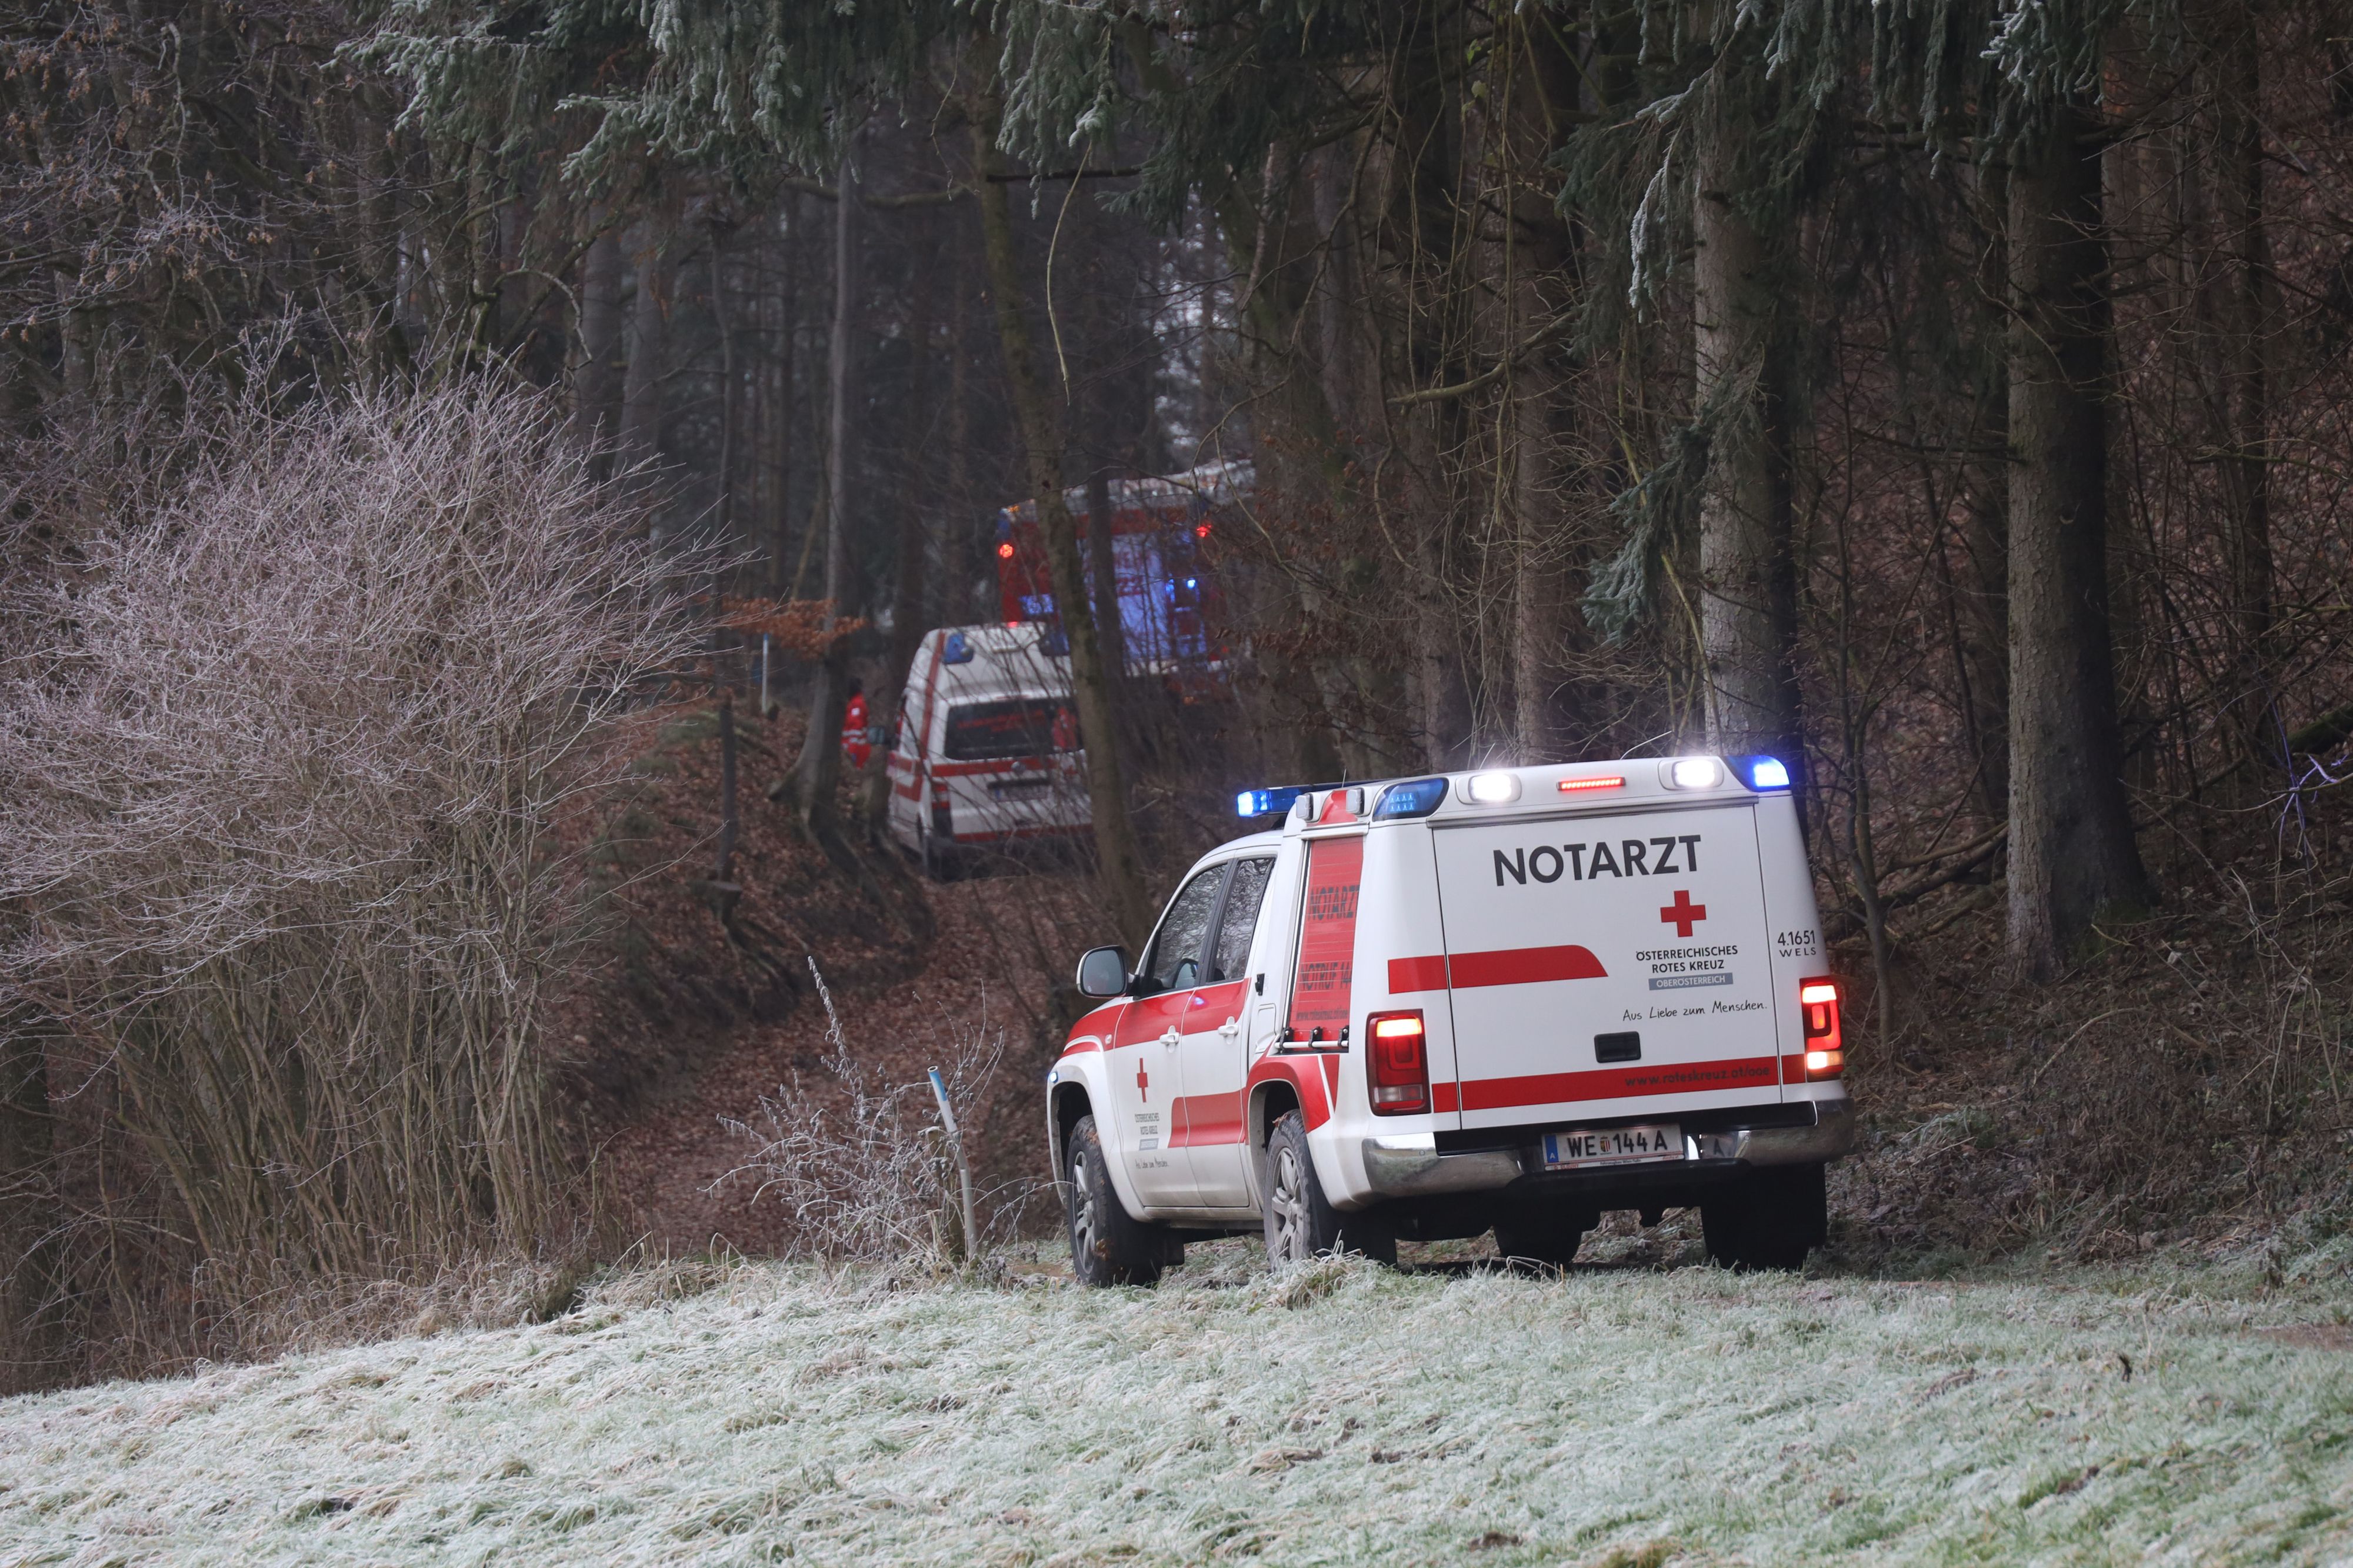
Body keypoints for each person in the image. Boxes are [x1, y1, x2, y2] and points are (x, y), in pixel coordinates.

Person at [841, 680, 870, 770]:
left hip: (855, 751)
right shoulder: (855, 703)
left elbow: (856, 728)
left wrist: (851, 751)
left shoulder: (857, 704)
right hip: (853, 750)